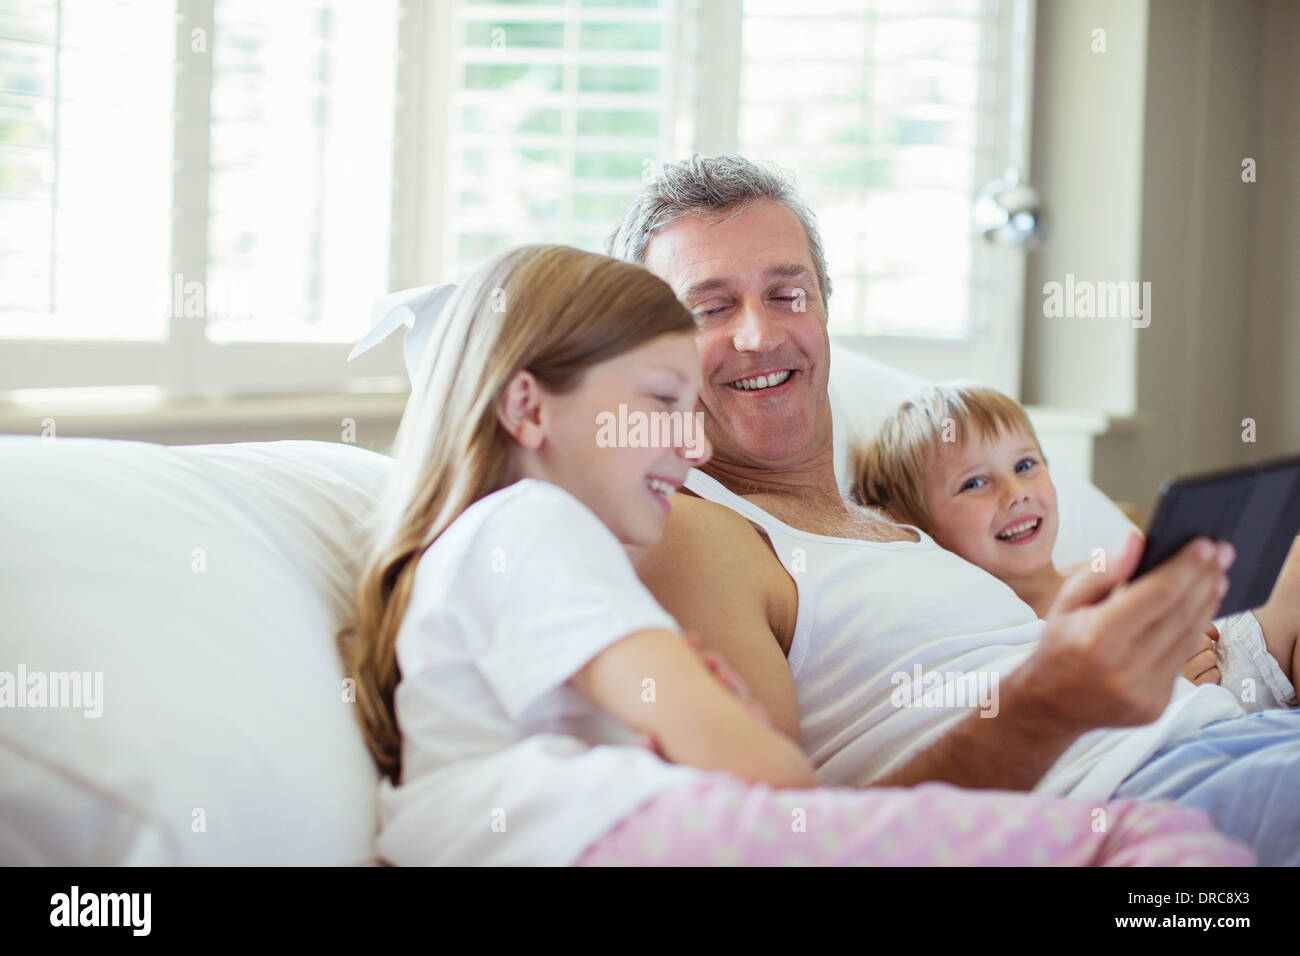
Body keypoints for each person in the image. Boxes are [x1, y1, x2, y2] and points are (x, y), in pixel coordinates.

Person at [335, 243, 1249, 866]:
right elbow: (763, 780)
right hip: (681, 836)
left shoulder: (492, 564)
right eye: (660, 402)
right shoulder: (531, 523)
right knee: (1156, 851)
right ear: (529, 410)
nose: (690, 448)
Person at [604, 153, 1300, 864]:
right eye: (711, 308)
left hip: (1232, 737)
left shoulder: (895, 521)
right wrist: (1054, 699)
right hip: (1148, 800)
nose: (761, 334)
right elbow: (793, 842)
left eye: (789, 295)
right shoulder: (694, 534)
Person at [852, 380, 1300, 711]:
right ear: (915, 527)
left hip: (1234, 652)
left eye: (1025, 465)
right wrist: (1174, 689)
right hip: (1188, 707)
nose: (1015, 492)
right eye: (974, 482)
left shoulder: (1101, 571)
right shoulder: (994, 635)